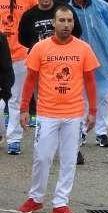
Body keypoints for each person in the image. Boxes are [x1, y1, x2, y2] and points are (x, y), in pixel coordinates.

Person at [16, 4, 98, 213]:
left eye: (70, 21)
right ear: (54, 23)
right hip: (46, 112)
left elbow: (90, 81)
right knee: (42, 157)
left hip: (74, 114)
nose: (66, 25)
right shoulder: (40, 48)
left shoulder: (83, 49)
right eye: (62, 21)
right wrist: (24, 108)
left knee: (69, 159)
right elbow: (30, 80)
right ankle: (36, 198)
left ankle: (61, 203)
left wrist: (93, 112)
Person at [70, 0, 108, 148]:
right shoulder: (68, 9)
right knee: (80, 95)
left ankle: (101, 132)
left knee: (102, 95)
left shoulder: (101, 6)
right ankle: (81, 130)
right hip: (78, 58)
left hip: (102, 57)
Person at [1, 0, 37, 155]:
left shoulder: (29, 1)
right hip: (0, 53)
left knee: (16, 98)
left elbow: (36, 17)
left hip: (21, 55)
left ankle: (14, 139)